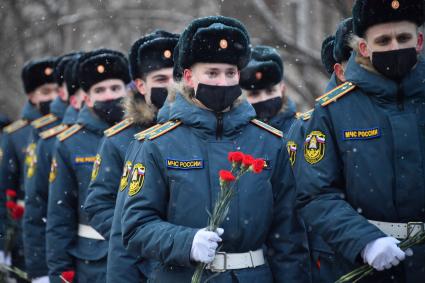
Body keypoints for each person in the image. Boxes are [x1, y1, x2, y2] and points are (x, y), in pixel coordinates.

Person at [121, 15, 310, 283]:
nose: (222, 82)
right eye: (212, 73)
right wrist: (186, 242)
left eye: (230, 73)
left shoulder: (269, 142)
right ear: (188, 77)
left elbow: (288, 236)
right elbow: (135, 227)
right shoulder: (157, 144)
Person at [296, 0, 425, 282]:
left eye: (403, 38)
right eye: (383, 40)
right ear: (364, 48)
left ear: (419, 40)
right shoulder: (334, 111)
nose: (394, 47)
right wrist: (365, 241)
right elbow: (315, 194)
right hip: (367, 265)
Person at [84, 30, 178, 282]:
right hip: (142, 263)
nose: (170, 86)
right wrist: (139, 236)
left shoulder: (201, 131)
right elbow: (98, 204)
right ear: (140, 85)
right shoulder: (118, 139)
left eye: (175, 77)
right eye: (160, 78)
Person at [46, 49, 130, 282]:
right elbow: (59, 214)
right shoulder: (69, 143)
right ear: (87, 97)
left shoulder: (144, 134)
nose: (109, 96)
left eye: (115, 88)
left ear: (128, 90)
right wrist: (59, 272)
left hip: (138, 258)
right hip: (92, 262)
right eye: (99, 91)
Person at [22, 53, 83, 283]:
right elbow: (37, 206)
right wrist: (39, 271)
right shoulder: (48, 138)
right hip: (63, 249)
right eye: (44, 92)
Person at [0, 57, 57, 282]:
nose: (51, 97)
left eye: (56, 90)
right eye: (45, 92)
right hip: (26, 232)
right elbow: (3, 190)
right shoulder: (15, 135)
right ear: (32, 96)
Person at [239, 45, 296, 135]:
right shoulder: (237, 133)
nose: (263, 99)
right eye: (254, 94)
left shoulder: (300, 129)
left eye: (270, 91)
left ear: (282, 89)